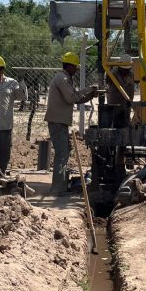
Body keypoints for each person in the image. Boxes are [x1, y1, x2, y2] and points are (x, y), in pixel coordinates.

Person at [44, 52, 97, 193]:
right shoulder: (62, 78)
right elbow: (72, 98)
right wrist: (89, 89)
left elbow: (77, 99)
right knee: (62, 153)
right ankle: (57, 188)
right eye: (75, 67)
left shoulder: (66, 78)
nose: (77, 69)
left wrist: (90, 94)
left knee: (64, 152)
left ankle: (60, 185)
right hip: (57, 121)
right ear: (69, 66)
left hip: (60, 121)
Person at [105, 54, 135, 127]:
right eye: (124, 69)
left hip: (127, 105)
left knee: (126, 124)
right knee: (115, 124)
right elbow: (107, 80)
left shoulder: (131, 74)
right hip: (115, 105)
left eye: (127, 69)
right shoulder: (113, 74)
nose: (125, 71)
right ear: (119, 66)